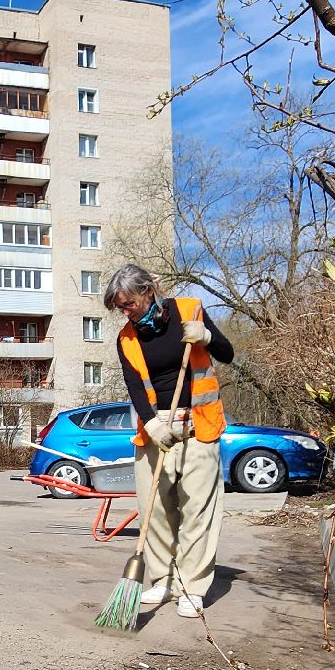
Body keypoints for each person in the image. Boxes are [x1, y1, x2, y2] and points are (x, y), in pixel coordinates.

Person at [104, 264, 234, 618]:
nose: (125, 312)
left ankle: (191, 587)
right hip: (155, 427)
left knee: (197, 509)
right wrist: (152, 423)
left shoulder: (189, 311)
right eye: (119, 308)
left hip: (198, 424)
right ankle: (162, 578)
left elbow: (227, 353)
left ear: (148, 291)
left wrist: (206, 337)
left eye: (129, 304)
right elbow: (134, 386)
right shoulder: (126, 338)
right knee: (155, 509)